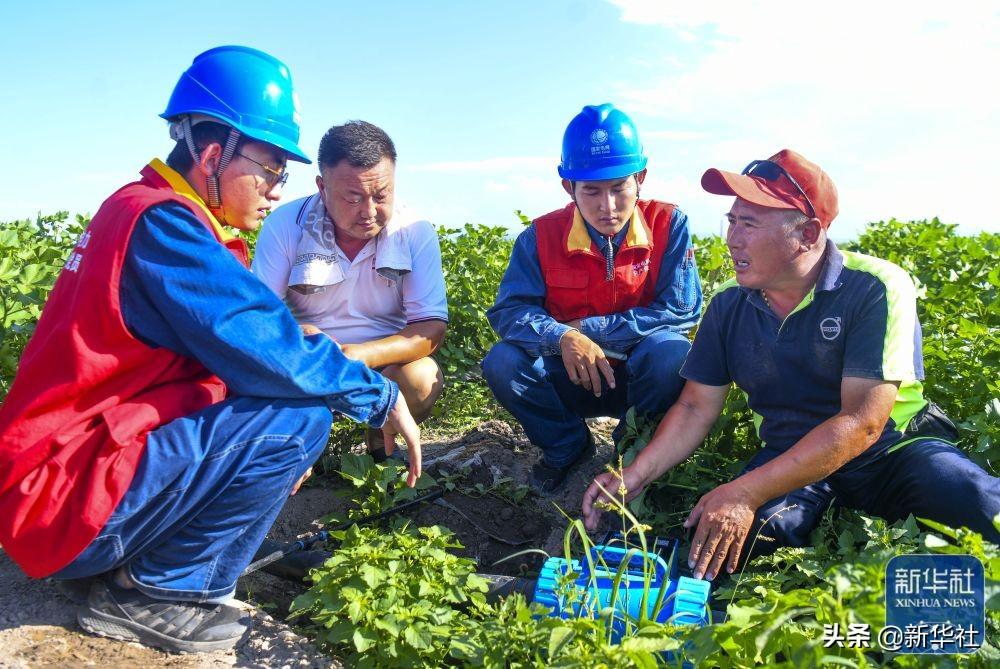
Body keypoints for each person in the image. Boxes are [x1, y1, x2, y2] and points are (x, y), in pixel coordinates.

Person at [0, 46, 422, 654]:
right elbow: (268, 347)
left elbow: (250, 343)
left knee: (284, 402)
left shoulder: (145, 211)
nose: (277, 189)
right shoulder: (165, 224)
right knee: (297, 420)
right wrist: (378, 396)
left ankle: (137, 566)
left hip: (68, 475)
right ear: (214, 152)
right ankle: (155, 594)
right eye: (271, 167)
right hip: (63, 497)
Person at [583, 149, 1000, 582]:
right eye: (732, 221)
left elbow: (863, 422)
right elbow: (694, 408)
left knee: (978, 503)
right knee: (733, 548)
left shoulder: (875, 286)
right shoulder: (728, 303)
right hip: (788, 455)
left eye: (750, 224)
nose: (732, 238)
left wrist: (743, 491)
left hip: (890, 452)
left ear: (808, 232)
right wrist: (634, 475)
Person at [483, 104, 702, 494]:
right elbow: (509, 311)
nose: (608, 206)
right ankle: (567, 447)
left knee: (673, 353)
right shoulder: (539, 237)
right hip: (569, 377)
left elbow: (681, 310)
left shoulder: (670, 225)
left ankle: (630, 449)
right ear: (569, 187)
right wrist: (563, 338)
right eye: (592, 191)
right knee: (502, 361)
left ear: (641, 178)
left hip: (640, 377)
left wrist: (589, 329)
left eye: (619, 188)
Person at [252, 121, 447, 458]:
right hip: (308, 359)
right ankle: (307, 449)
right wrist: (308, 345)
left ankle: (379, 441)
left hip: (387, 360)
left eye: (381, 195)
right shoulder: (285, 225)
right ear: (322, 187)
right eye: (353, 198)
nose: (369, 212)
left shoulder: (414, 231)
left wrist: (360, 354)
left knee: (420, 378)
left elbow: (430, 328)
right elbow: (258, 320)